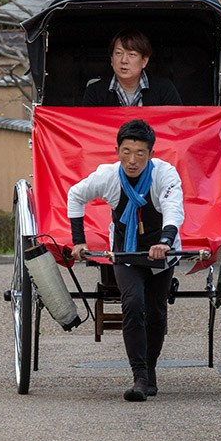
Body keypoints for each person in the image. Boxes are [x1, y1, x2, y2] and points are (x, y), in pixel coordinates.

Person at [67, 119, 184, 402]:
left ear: (151, 154)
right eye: (126, 152)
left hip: (161, 253)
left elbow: (173, 209)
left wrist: (165, 242)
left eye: (140, 153)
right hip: (125, 252)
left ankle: (151, 369)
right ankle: (140, 376)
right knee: (132, 303)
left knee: (156, 313)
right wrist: (78, 240)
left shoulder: (165, 175)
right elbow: (75, 195)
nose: (132, 160)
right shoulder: (107, 176)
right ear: (117, 150)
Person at [82, 29, 182, 106]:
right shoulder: (94, 92)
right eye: (118, 53)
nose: (124, 60)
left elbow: (177, 125)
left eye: (132, 54)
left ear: (144, 61)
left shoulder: (164, 89)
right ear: (111, 59)